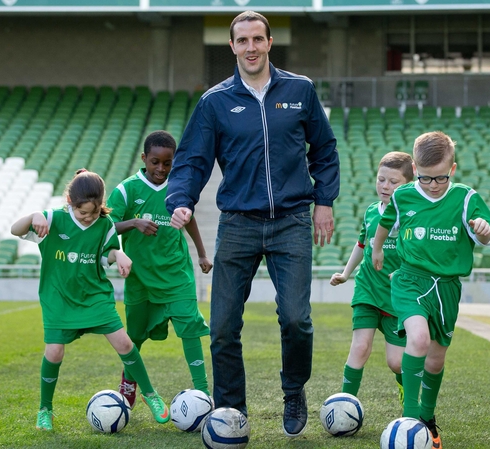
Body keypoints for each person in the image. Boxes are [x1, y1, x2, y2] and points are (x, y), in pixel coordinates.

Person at [165, 10, 339, 437]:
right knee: (223, 325)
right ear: (232, 46)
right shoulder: (215, 101)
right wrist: (181, 200)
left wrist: (324, 201)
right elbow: (191, 160)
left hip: (293, 221)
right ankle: (230, 412)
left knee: (296, 319)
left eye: (257, 39)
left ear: (269, 42)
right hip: (238, 223)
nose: (250, 47)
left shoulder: (300, 90)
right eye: (242, 41)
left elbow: (325, 148)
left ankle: (293, 391)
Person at [10, 169, 170, 431]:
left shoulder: (104, 224)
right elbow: (15, 230)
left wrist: (117, 255)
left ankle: (150, 394)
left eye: (94, 213)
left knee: (124, 343)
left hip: (94, 294)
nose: (88, 218)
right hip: (59, 298)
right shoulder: (53, 218)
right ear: (70, 202)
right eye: (83, 213)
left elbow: (103, 255)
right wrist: (33, 216)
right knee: (54, 351)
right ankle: (45, 410)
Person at [372, 131, 490, 449]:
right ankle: (410, 420)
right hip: (410, 280)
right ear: (415, 169)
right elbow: (385, 221)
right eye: (426, 178)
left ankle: (427, 417)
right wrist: (376, 248)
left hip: (447, 290)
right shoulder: (403, 197)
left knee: (435, 361)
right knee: (418, 339)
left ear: (452, 169)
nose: (433, 185)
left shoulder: (465, 198)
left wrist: (483, 231)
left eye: (441, 178)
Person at [107, 131, 213, 407]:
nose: (161, 169)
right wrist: (133, 223)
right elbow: (105, 229)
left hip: (176, 274)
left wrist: (202, 254)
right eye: (155, 162)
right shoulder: (126, 190)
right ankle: (128, 382)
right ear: (144, 159)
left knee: (190, 327)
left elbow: (188, 220)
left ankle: (203, 395)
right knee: (136, 336)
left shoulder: (178, 188)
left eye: (167, 163)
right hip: (140, 278)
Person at [329, 152, 413, 402]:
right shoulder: (370, 212)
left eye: (394, 182)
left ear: (409, 183)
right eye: (381, 180)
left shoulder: (413, 214)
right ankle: (344, 404)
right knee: (360, 347)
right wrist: (346, 274)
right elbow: (362, 244)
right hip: (367, 289)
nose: (385, 186)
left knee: (396, 362)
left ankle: (405, 390)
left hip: (398, 295)